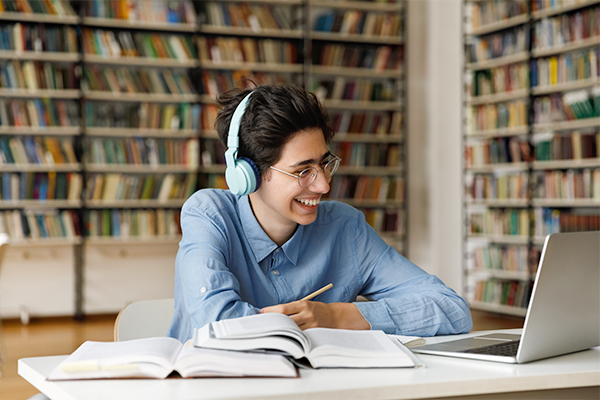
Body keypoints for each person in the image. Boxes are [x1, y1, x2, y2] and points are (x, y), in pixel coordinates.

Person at [167, 84, 472, 343]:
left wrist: (339, 315)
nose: (324, 185)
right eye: (302, 171)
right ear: (247, 173)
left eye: (325, 164)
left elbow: (452, 309)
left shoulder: (345, 228)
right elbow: (217, 324)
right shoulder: (209, 214)